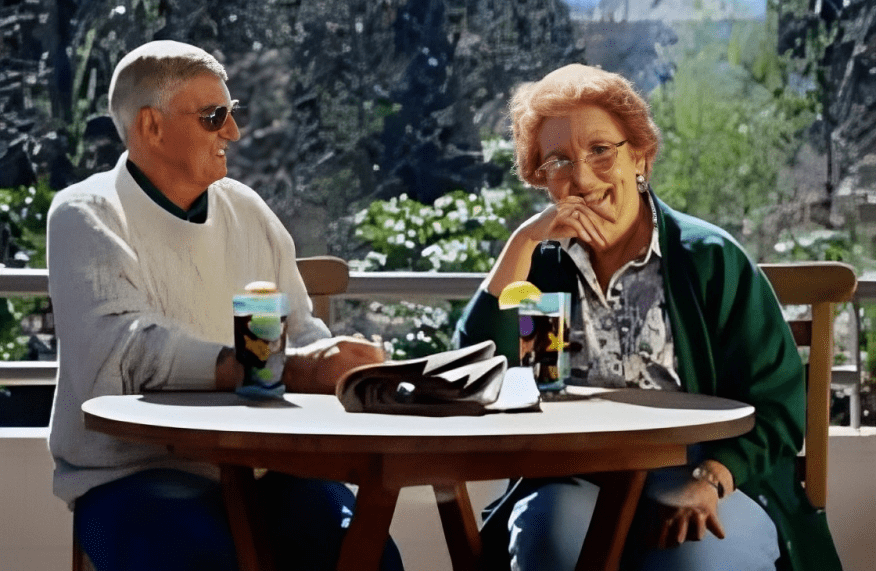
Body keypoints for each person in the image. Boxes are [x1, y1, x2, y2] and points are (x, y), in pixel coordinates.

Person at [453, 64, 842, 571]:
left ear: (639, 155)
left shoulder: (708, 259)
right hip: (573, 477)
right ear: (541, 177)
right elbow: (477, 373)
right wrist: (522, 242)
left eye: (600, 150)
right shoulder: (543, 268)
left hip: (707, 473)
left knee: (691, 563)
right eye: (559, 160)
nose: (583, 176)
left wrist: (712, 480)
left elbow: (779, 402)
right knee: (547, 545)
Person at [47, 40, 403, 571]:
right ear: (151, 126)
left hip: (266, 467)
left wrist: (342, 365)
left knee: (369, 554)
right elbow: (120, 359)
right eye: (214, 116)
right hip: (132, 474)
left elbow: (301, 331)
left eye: (232, 114)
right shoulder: (86, 213)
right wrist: (280, 366)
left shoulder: (247, 209)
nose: (232, 132)